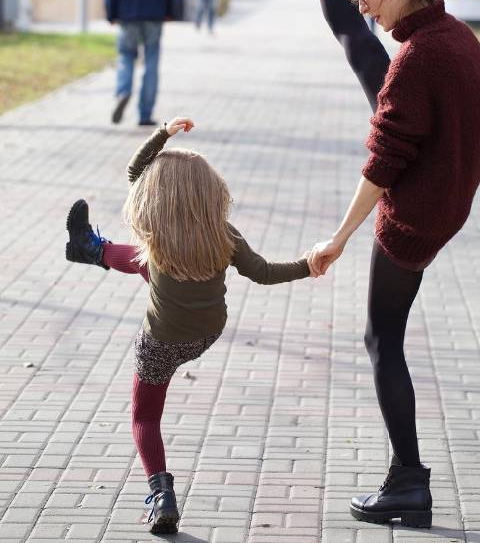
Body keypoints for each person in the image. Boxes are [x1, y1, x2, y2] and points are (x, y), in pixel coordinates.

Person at [279, 0, 480, 528]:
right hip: (438, 200)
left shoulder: (418, 61)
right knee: (357, 46)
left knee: (383, 340)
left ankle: (408, 481)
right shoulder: (454, 36)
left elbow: (382, 168)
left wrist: (338, 238)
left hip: (414, 216)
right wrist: (458, 176)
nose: (369, 7)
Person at [64, 116, 313, 534]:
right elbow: (266, 272)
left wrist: (162, 133)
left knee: (145, 417)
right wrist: (310, 265)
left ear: (157, 194)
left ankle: (162, 496)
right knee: (152, 262)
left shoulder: (155, 231)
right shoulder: (224, 234)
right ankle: (90, 248)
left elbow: (134, 172)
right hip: (205, 333)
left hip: (161, 340)